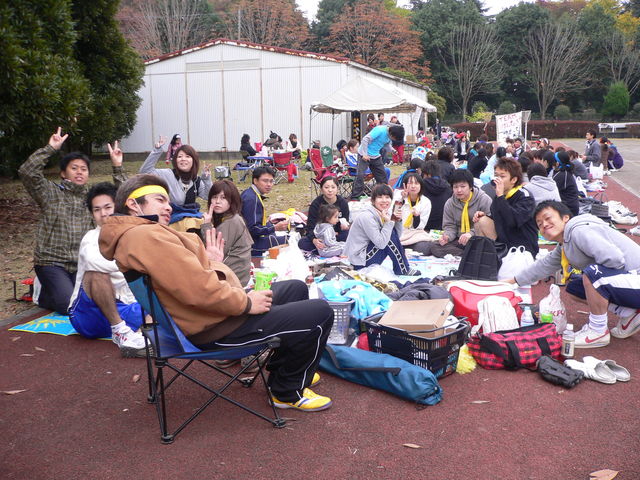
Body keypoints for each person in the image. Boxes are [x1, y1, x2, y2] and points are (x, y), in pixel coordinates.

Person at [99, 174, 335, 411]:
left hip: (205, 317)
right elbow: (197, 289)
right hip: (216, 328)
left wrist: (211, 261)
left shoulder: (138, 235)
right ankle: (287, 392)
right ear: (133, 204)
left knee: (294, 288)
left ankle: (288, 371)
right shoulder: (146, 236)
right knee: (320, 312)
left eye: (168, 201)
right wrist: (246, 303)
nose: (169, 206)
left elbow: (187, 280)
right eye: (160, 200)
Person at [18, 128, 125, 314]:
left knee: (100, 299)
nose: (79, 172)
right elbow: (27, 172)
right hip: (51, 262)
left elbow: (124, 199)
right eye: (74, 168)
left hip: (82, 263)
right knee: (70, 305)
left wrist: (117, 166)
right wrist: (50, 148)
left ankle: (51, 291)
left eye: (84, 169)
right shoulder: (49, 192)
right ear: (63, 173)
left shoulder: (92, 198)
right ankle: (44, 290)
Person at [507, 200, 640, 348]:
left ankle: (598, 331)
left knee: (592, 275)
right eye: (539, 223)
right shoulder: (565, 244)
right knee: (576, 288)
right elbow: (542, 266)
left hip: (635, 278)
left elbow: (615, 259)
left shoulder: (579, 231)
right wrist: (509, 283)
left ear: (565, 218)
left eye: (548, 218)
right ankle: (629, 313)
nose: (544, 224)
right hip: (630, 282)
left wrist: (602, 280)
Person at [68, 181, 146, 358]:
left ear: (117, 206)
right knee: (96, 273)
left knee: (163, 300)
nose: (103, 213)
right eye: (97, 210)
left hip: (124, 308)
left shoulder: (130, 234)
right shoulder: (90, 238)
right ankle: (120, 331)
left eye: (107, 207)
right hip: (89, 315)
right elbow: (98, 264)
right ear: (92, 214)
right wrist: (136, 261)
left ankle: (142, 338)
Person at [345, 184, 419, 275]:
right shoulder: (367, 216)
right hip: (360, 261)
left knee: (390, 233)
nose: (384, 200)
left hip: (367, 256)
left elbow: (397, 237)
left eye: (387, 197)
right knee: (388, 234)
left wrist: (398, 221)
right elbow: (381, 243)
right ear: (373, 200)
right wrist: (388, 223)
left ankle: (402, 268)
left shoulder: (382, 213)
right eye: (380, 197)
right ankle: (403, 269)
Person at [473, 157, 539, 256]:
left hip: (523, 247)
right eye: (496, 175)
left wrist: (500, 197)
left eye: (502, 176)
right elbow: (498, 217)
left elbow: (512, 221)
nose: (497, 179)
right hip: (506, 241)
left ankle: (496, 256)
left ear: (514, 179)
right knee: (480, 221)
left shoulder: (525, 196)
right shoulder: (500, 195)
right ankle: (487, 258)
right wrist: (486, 216)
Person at [430, 169, 492, 258]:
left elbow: (489, 225)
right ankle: (467, 255)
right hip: (459, 240)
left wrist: (471, 234)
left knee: (483, 246)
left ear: (470, 186)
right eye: (455, 187)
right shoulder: (450, 203)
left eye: (463, 186)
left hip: (478, 238)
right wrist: (447, 236)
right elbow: (449, 226)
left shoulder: (483, 199)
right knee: (435, 247)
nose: (459, 190)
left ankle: (469, 255)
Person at [202, 180, 253, 286]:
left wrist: (206, 225)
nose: (217, 201)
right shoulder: (229, 218)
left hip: (233, 280)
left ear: (232, 200)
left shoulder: (232, 221)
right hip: (235, 275)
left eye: (223, 198)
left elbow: (212, 253)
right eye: (214, 197)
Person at [139, 136, 212, 210]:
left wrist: (206, 178)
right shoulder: (168, 174)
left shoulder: (196, 180)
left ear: (194, 160)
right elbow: (145, 172)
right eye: (180, 156)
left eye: (187, 156)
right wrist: (157, 150)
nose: (183, 159)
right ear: (175, 160)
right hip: (169, 215)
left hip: (190, 215)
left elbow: (208, 196)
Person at [240, 166, 288, 257]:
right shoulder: (252, 199)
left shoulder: (250, 193)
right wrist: (274, 227)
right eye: (265, 181)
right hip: (249, 245)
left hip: (248, 240)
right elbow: (253, 229)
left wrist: (267, 223)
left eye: (271, 181)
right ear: (255, 180)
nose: (269, 184)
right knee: (289, 240)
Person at [350, 124, 404, 200]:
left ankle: (383, 193)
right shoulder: (380, 130)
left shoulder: (389, 136)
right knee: (360, 175)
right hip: (364, 155)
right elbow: (365, 139)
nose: (393, 139)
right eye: (394, 138)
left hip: (375, 156)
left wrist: (392, 150)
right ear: (392, 133)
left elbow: (386, 144)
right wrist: (364, 154)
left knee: (382, 175)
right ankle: (355, 196)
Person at [299, 176, 350, 253]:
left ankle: (326, 249)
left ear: (337, 188)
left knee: (347, 235)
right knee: (303, 243)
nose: (330, 190)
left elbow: (346, 221)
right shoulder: (316, 204)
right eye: (326, 187)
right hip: (320, 235)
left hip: (336, 235)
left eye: (333, 187)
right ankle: (331, 249)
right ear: (321, 189)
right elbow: (310, 226)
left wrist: (344, 227)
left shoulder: (343, 203)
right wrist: (314, 240)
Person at [398, 173, 433, 255]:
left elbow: (420, 227)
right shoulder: (398, 196)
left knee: (425, 248)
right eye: (410, 183)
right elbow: (393, 217)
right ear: (405, 185)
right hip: (399, 232)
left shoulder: (426, 202)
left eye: (416, 183)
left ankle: (403, 247)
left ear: (421, 186)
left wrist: (416, 217)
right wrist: (401, 199)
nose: (413, 186)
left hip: (415, 234)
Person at [421, 160, 452, 231]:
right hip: (443, 226)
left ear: (428, 174)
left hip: (424, 225)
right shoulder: (448, 187)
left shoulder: (421, 186)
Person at [552, 151, 580, 217]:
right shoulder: (565, 172)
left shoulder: (562, 175)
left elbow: (551, 190)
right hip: (571, 206)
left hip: (569, 209)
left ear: (557, 163)